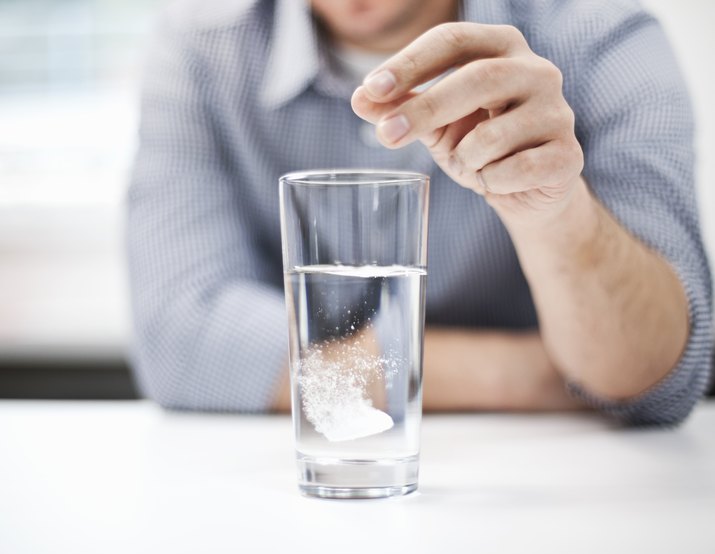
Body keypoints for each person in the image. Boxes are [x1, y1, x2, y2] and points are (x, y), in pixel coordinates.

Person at [127, 0, 713, 425]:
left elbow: (663, 370)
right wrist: (549, 375)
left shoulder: (603, 36)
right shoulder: (202, 44)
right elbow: (183, 341)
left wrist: (553, 210)